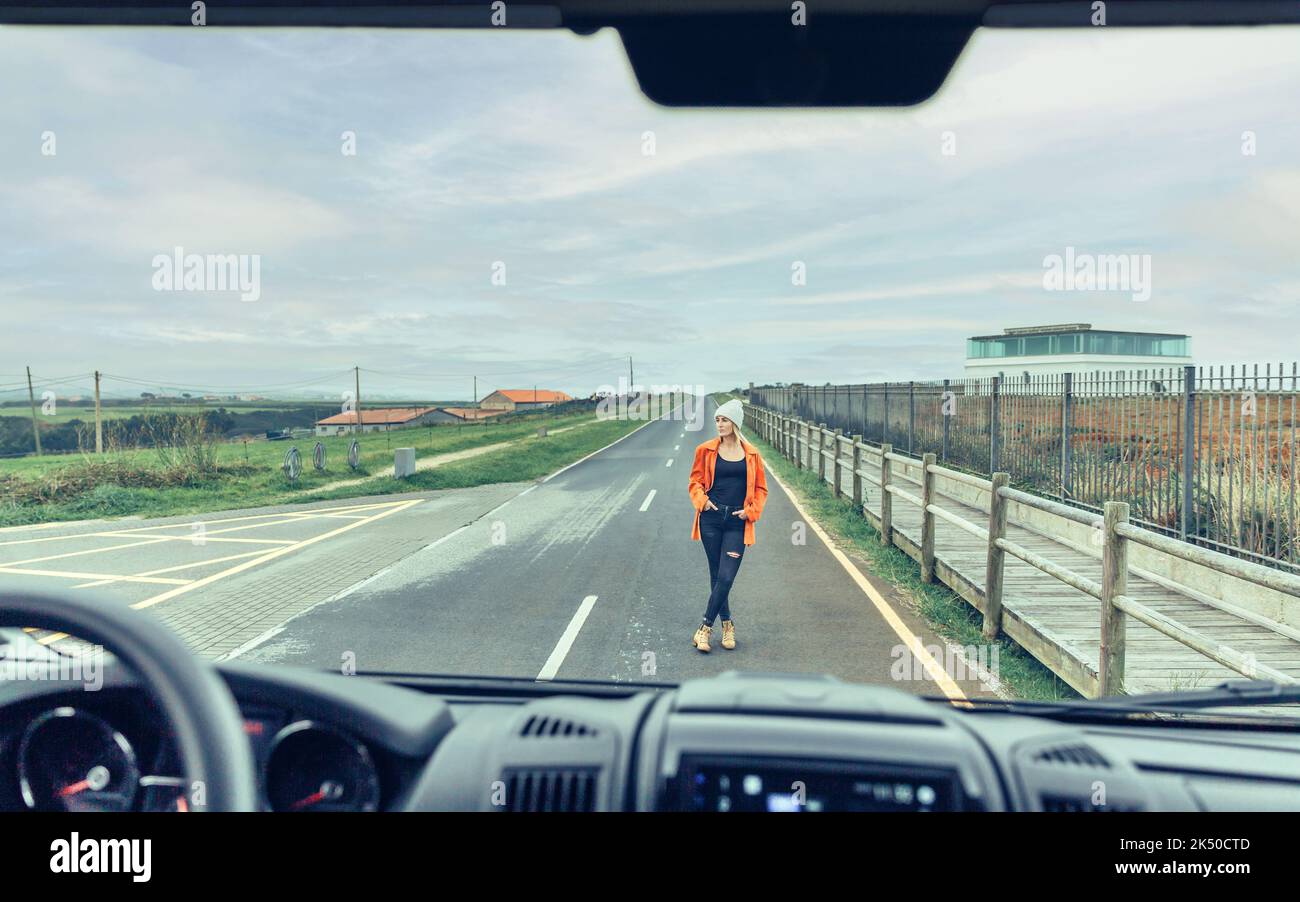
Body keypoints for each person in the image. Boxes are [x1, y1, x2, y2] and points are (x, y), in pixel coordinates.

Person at [686, 398, 768, 653]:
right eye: (717, 420)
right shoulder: (705, 450)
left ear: (735, 423)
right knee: (716, 574)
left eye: (724, 420)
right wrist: (703, 501)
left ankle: (705, 628)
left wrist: (751, 512)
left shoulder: (752, 454)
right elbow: (695, 482)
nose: (719, 424)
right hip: (711, 519)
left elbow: (761, 490)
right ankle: (728, 625)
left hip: (736, 522)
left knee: (726, 576)